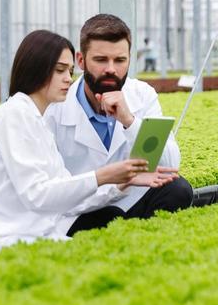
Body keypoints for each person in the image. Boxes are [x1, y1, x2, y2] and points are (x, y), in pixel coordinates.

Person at [0, 30, 174, 256]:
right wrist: (105, 175)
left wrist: (122, 183)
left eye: (69, 71)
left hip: (33, 234)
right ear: (35, 69)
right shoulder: (15, 115)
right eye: (60, 70)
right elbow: (37, 194)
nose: (69, 78)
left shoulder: (38, 121)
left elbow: (68, 200)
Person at [47, 14, 196, 235]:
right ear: (80, 60)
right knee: (106, 216)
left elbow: (169, 164)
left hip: (129, 198)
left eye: (119, 60)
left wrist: (129, 121)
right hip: (79, 208)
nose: (111, 69)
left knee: (178, 189)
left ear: (129, 59)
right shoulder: (55, 106)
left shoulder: (142, 95)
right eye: (100, 60)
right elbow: (51, 189)